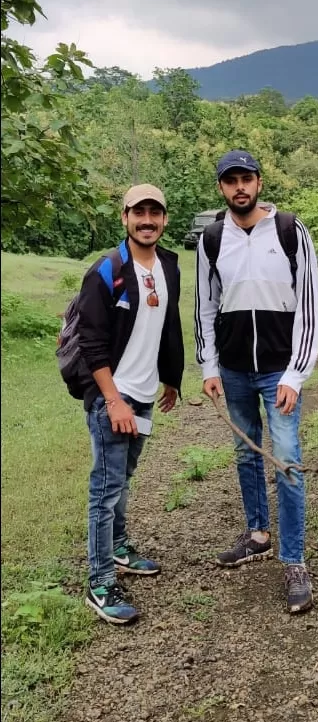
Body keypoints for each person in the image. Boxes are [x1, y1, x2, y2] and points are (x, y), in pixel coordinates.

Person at [195, 150, 318, 614]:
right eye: (231, 181)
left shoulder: (290, 231)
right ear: (222, 189)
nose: (239, 187)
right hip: (233, 369)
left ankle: (294, 560)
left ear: (259, 183)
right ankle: (257, 535)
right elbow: (205, 306)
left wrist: (295, 372)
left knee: (286, 457)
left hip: (278, 369)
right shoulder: (211, 239)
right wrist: (209, 366)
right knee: (246, 451)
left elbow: (309, 305)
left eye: (246, 178)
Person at [77, 185, 184, 625]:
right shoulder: (106, 270)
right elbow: (91, 343)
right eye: (138, 212)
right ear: (124, 218)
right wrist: (113, 400)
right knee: (105, 490)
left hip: (142, 395)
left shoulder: (169, 266)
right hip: (113, 399)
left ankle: (119, 548)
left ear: (164, 220)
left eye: (154, 213)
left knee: (123, 479)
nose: (146, 220)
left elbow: (168, 322)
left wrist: (172, 378)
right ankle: (99, 582)